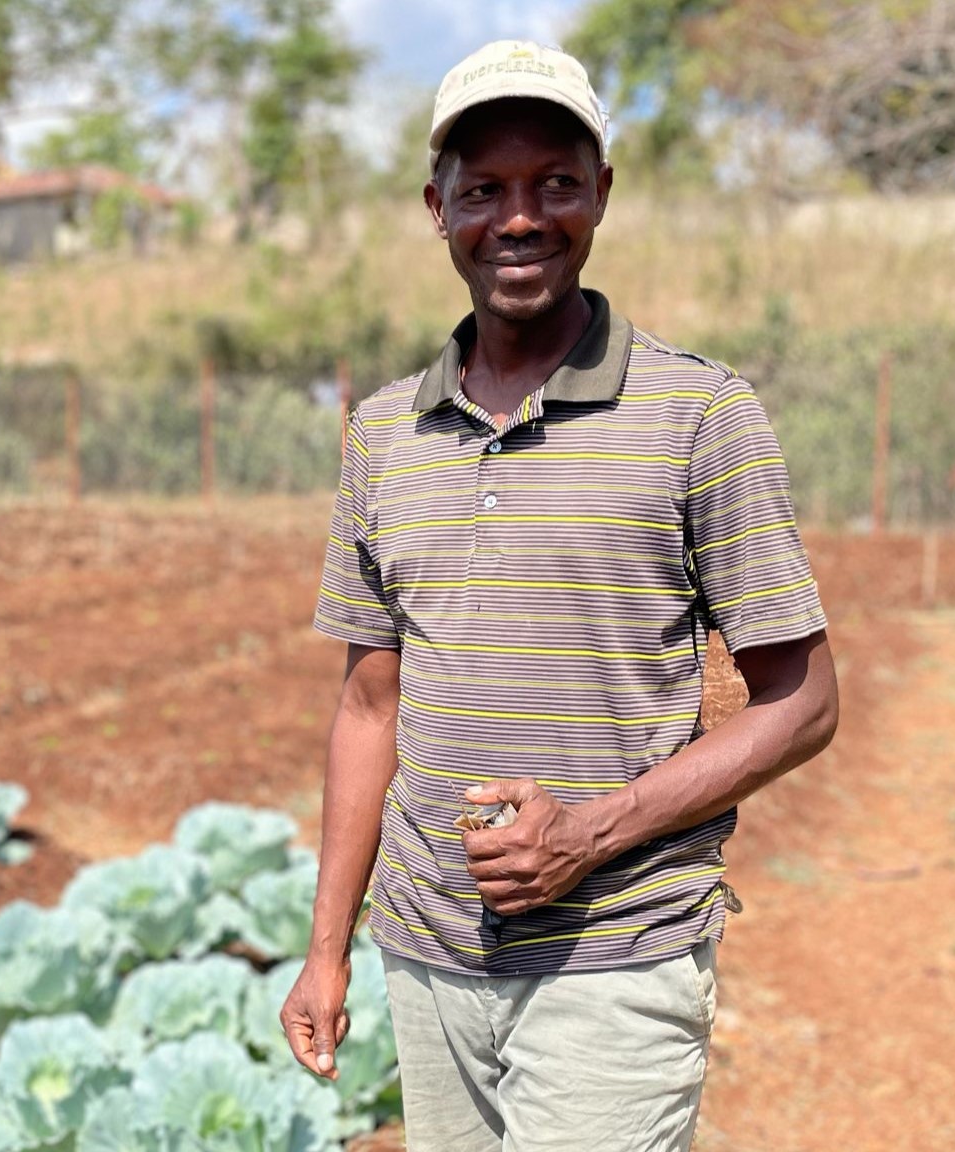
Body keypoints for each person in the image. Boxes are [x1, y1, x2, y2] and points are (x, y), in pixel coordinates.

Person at [280, 40, 839, 1152]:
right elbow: (367, 709)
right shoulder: (385, 434)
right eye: (485, 189)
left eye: (555, 184)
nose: (520, 218)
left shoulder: (701, 417)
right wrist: (330, 946)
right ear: (437, 208)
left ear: (602, 197)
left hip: (614, 961)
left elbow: (804, 702)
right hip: (430, 962)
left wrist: (588, 833)